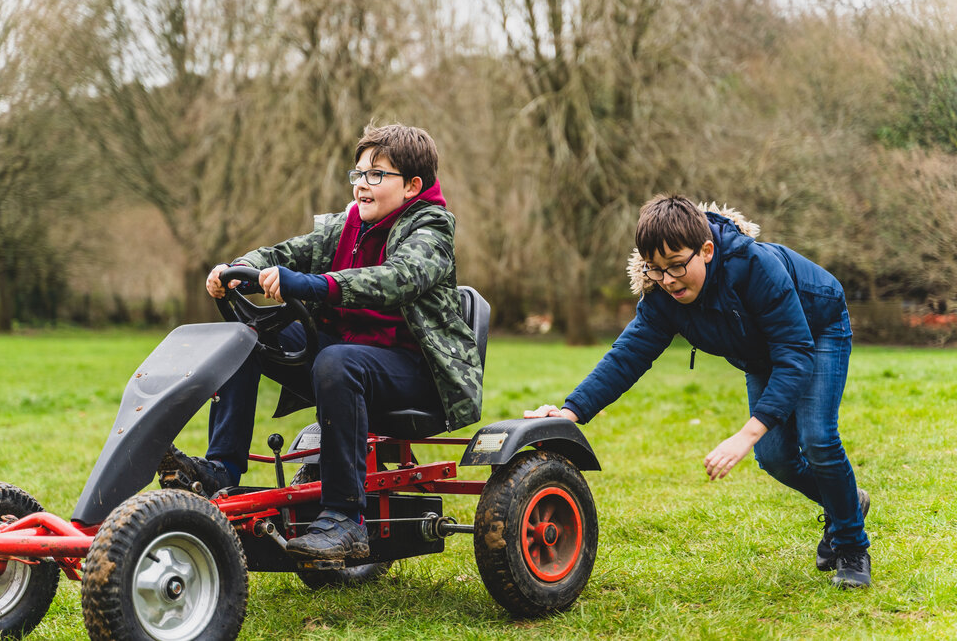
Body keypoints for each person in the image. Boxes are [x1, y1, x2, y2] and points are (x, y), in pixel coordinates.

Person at [159, 123, 484, 561]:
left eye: (376, 174)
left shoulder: (431, 230)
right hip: (347, 357)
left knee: (338, 361)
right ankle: (221, 468)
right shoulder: (346, 226)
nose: (362, 184)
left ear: (412, 186)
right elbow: (284, 254)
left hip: (416, 371)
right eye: (358, 173)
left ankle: (346, 519)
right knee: (244, 337)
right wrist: (235, 269)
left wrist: (314, 284)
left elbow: (397, 279)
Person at [525, 194, 871, 589]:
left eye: (676, 266)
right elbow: (627, 356)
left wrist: (746, 433)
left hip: (816, 327)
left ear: (706, 250)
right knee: (775, 457)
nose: (668, 279)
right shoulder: (662, 298)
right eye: (655, 269)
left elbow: (794, 353)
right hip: (762, 353)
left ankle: (851, 545)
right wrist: (571, 412)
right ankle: (847, 502)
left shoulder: (753, 266)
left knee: (819, 440)